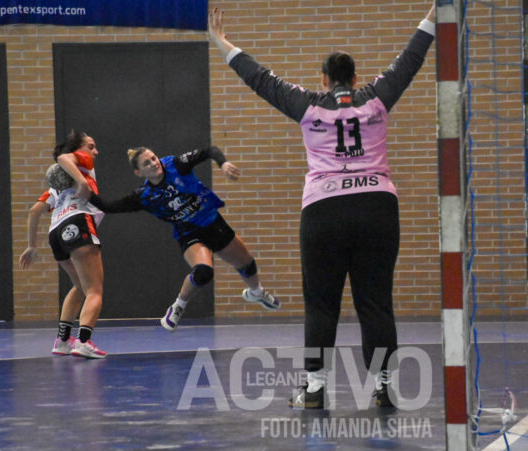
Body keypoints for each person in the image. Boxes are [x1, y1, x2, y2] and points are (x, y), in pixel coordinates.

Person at [208, 5, 436, 408]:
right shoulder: (378, 96)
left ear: (325, 80)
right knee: (375, 299)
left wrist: (221, 41)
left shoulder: (308, 104)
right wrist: (438, 9)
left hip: (324, 210)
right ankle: (383, 387)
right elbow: (412, 56)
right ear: (354, 76)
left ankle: (314, 389)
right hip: (377, 205)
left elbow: (261, 80)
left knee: (321, 301)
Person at [81, 145, 280, 331]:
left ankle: (256, 292)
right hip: (189, 232)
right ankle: (178, 306)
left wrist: (224, 163)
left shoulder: (177, 165)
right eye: (146, 163)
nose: (153, 163)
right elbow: (109, 206)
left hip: (213, 222)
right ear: (139, 173)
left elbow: (208, 151)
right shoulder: (145, 196)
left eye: (153, 158)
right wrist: (84, 190)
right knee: (203, 272)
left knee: (247, 263)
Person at [19, 130, 107, 359]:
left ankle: (63, 340)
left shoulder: (56, 186)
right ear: (78, 148)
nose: (94, 151)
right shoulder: (81, 161)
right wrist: (81, 181)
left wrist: (31, 246)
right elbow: (64, 158)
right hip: (78, 222)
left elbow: (34, 211)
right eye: (91, 146)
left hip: (56, 232)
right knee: (95, 290)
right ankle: (84, 342)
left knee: (79, 286)